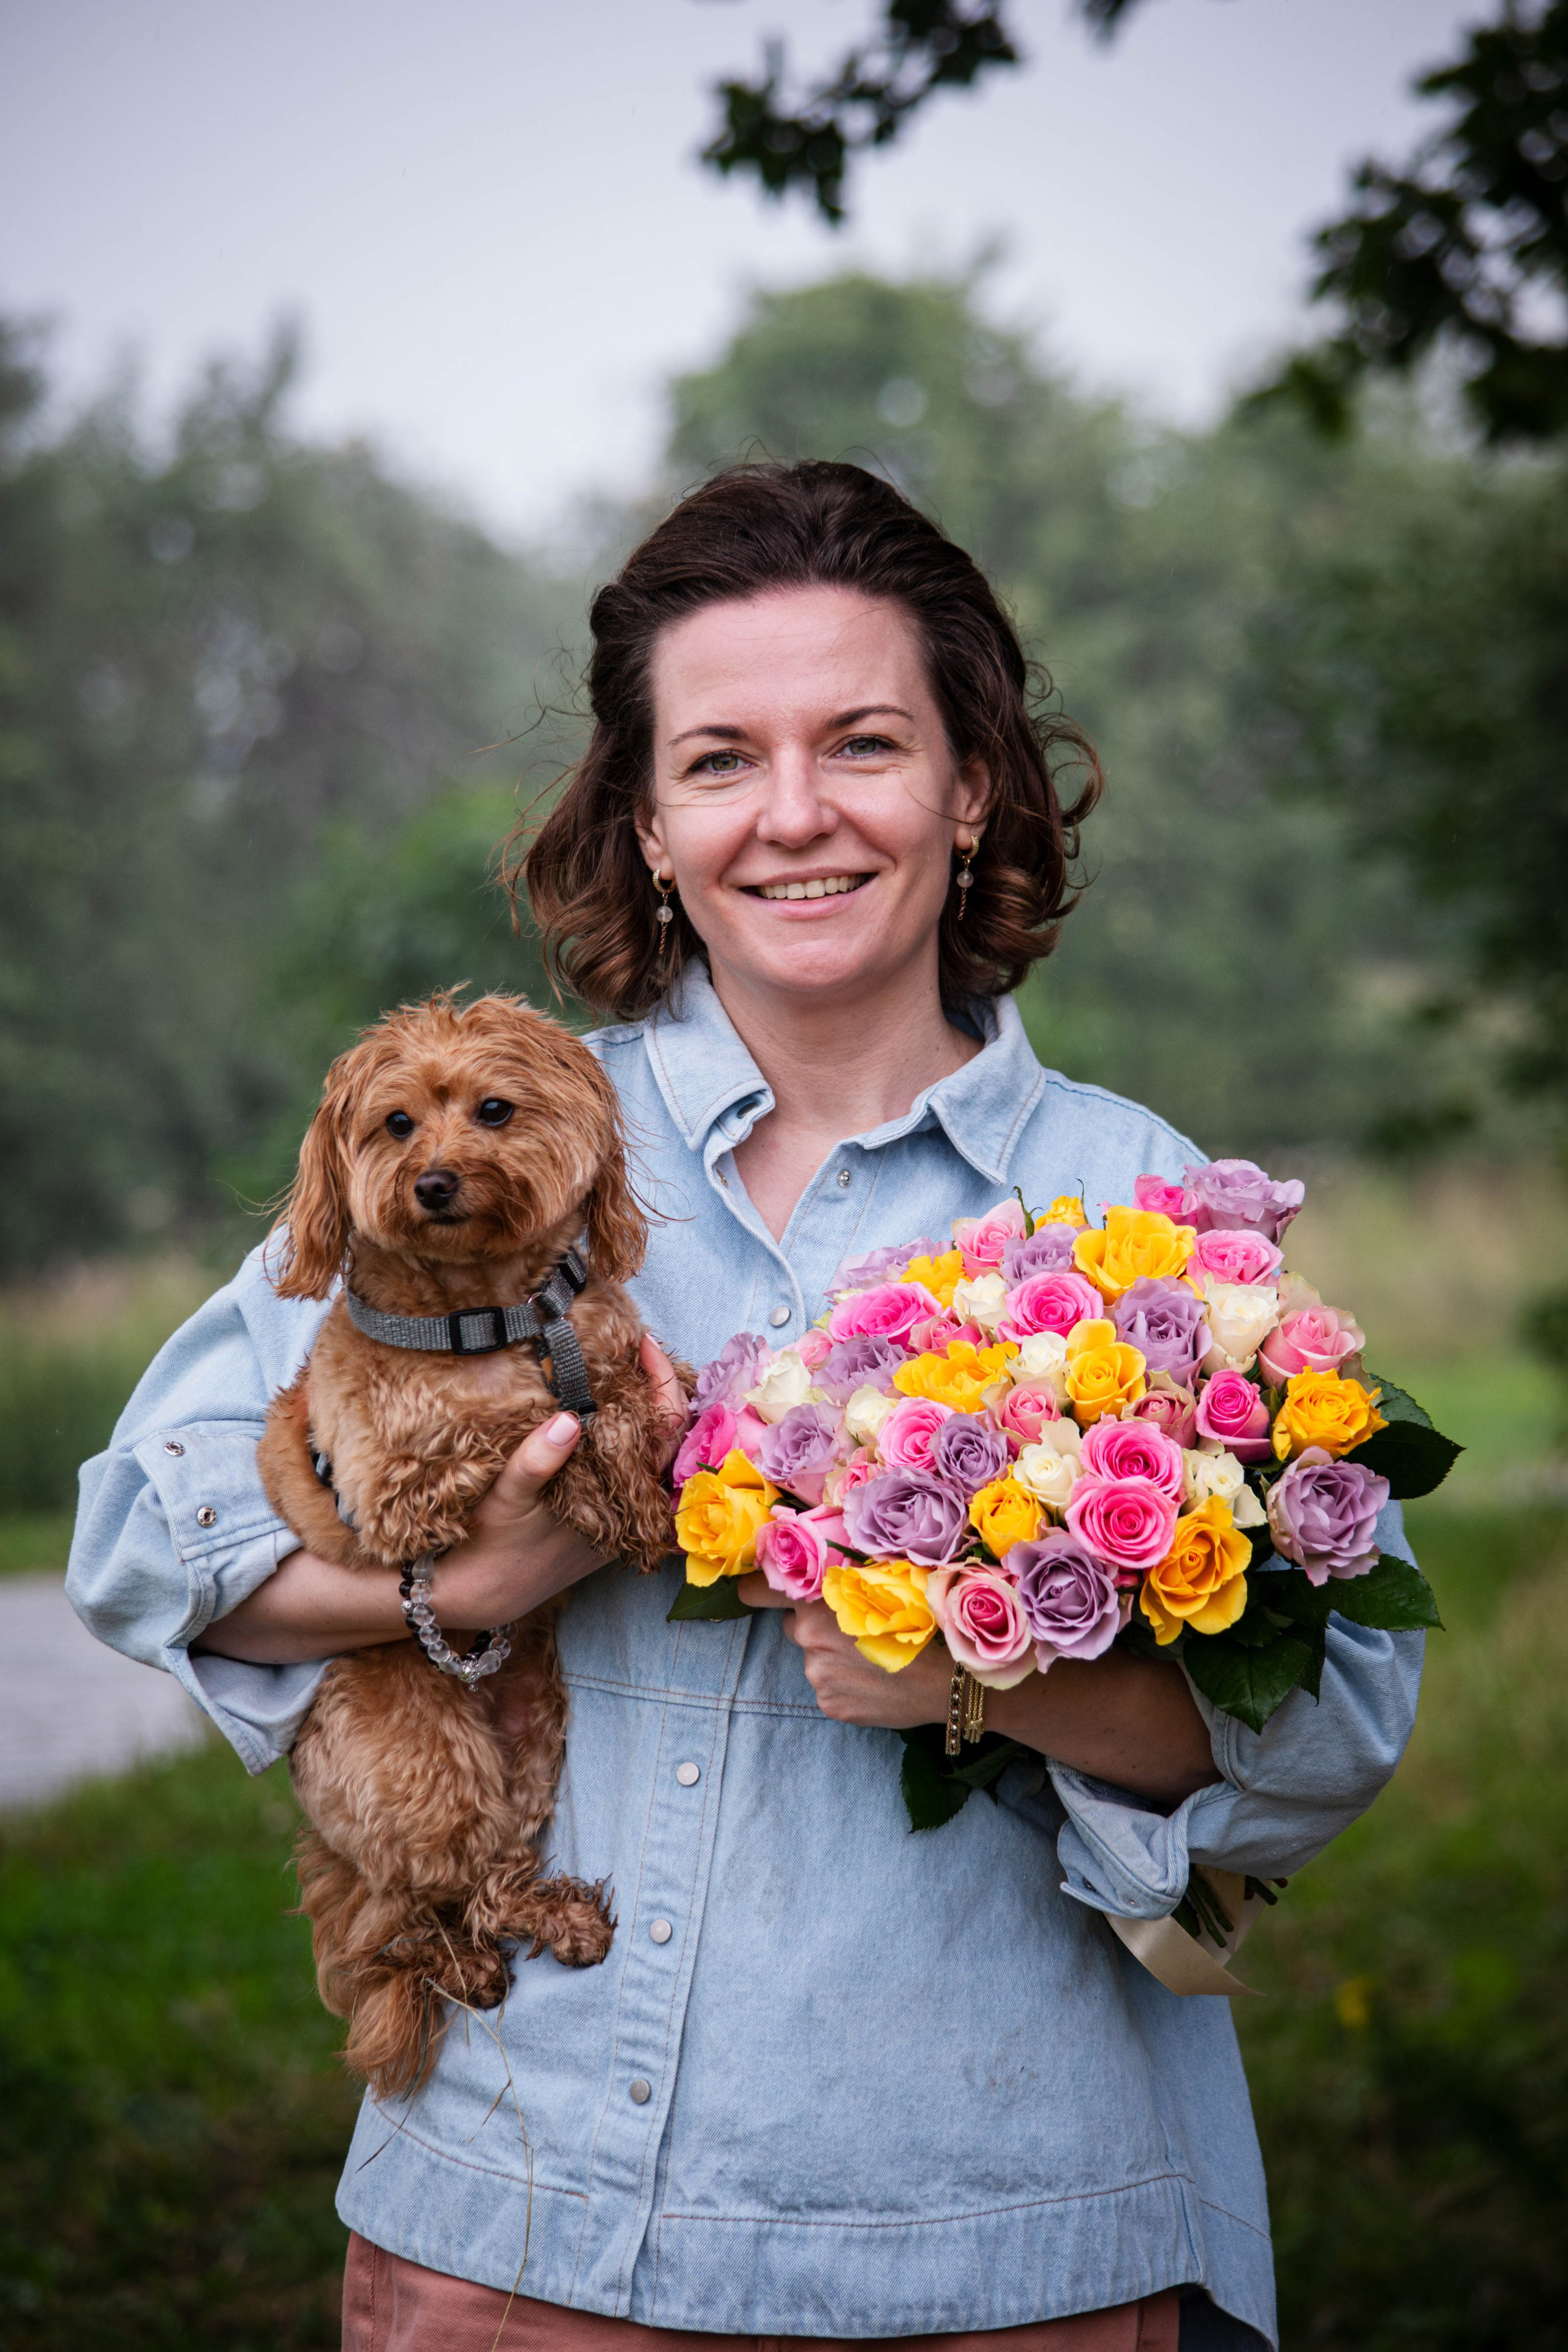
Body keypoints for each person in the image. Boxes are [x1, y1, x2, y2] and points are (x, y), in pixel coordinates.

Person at [69, 461, 1421, 2352]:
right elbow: (144, 1542)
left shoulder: (1135, 1209)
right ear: (647, 821)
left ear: (971, 785)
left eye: (863, 742)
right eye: (720, 760)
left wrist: (981, 1679)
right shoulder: (500, 1130)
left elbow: (1334, 1729)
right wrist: (457, 1587)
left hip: (1015, 2254)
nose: (794, 815)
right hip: (525, 2243)